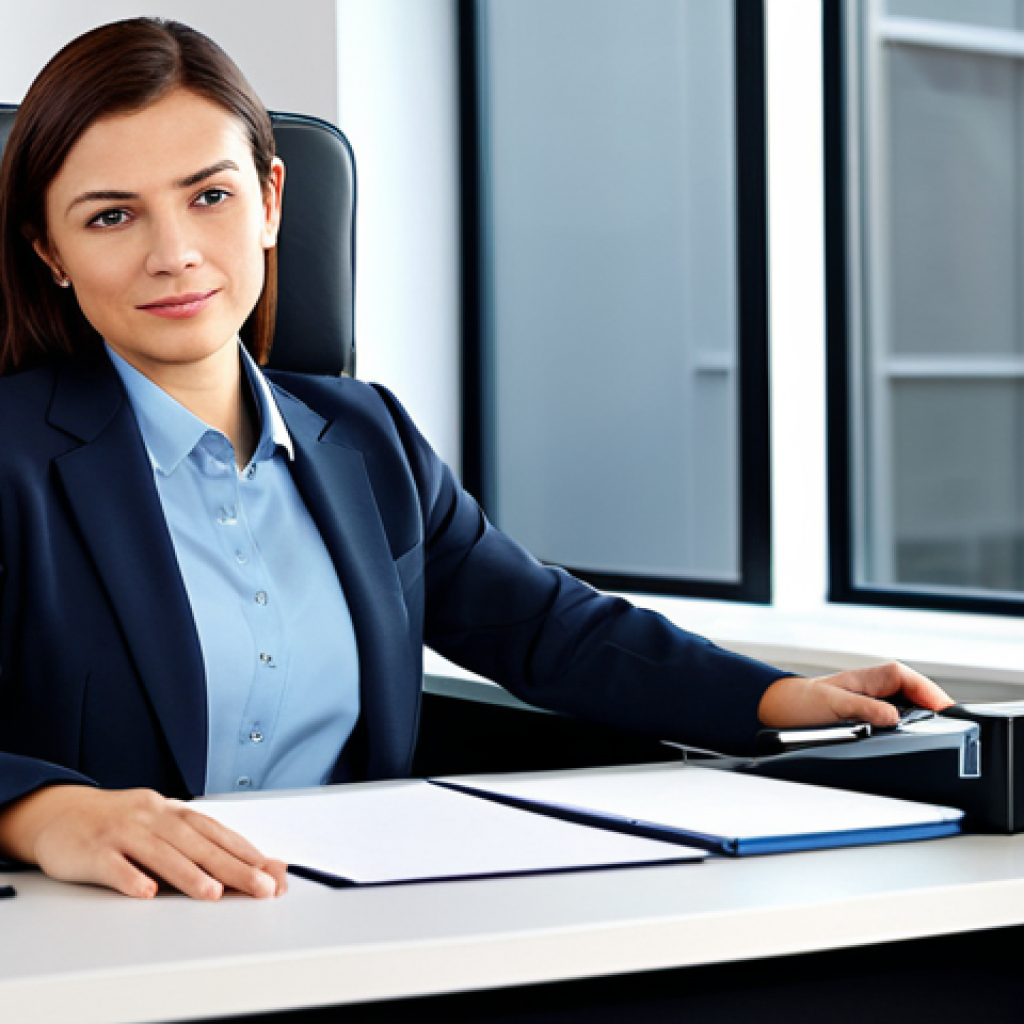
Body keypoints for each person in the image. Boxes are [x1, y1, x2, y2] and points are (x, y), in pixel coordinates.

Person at [0, 18, 952, 902]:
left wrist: (776, 695)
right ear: (50, 250)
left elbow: (546, 627)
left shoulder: (366, 440)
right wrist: (45, 813)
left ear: (272, 202)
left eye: (210, 196)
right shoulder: (13, 460)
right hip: (85, 941)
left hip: (343, 924)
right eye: (112, 217)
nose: (176, 253)